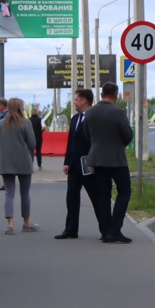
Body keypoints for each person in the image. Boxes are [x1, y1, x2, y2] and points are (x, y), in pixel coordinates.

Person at [85, 82, 134, 243]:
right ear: (116, 95)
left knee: (103, 196)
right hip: (116, 159)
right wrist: (119, 145)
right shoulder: (118, 112)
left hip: (97, 159)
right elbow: (128, 135)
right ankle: (115, 230)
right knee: (124, 191)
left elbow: (87, 135)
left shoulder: (90, 112)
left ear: (101, 94)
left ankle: (105, 231)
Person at [57, 89, 96, 239]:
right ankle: (71, 229)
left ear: (84, 101)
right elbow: (70, 142)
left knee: (95, 197)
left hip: (88, 164)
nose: (74, 102)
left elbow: (95, 143)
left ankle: (106, 229)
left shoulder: (93, 118)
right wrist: (67, 162)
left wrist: (94, 164)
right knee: (72, 197)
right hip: (74, 166)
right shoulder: (75, 119)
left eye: (76, 99)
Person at [0, 97, 38, 234]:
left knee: (9, 192)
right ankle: (26, 222)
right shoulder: (26, 123)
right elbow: (32, 144)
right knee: (24, 193)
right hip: (23, 162)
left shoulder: (1, 123)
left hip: (6, 162)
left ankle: (10, 224)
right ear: (20, 108)